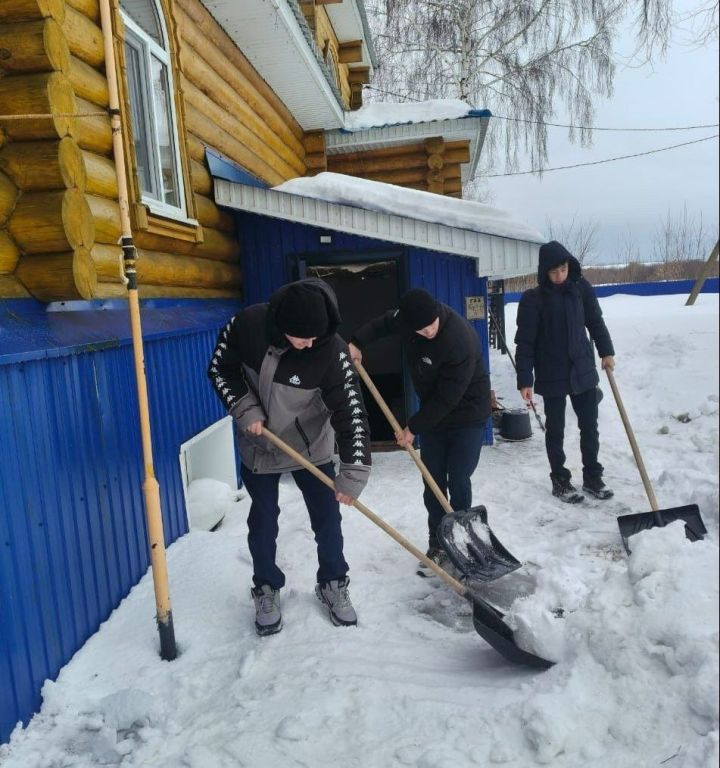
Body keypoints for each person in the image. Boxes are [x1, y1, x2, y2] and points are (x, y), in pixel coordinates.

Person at [208, 278, 372, 635]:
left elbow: (352, 413)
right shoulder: (247, 325)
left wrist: (354, 470)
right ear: (282, 326)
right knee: (263, 520)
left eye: (316, 337)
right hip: (260, 443)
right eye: (302, 337)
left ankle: (333, 581)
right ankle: (266, 586)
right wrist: (244, 407)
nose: (310, 344)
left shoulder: (331, 350)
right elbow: (220, 369)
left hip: (311, 446)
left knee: (327, 518)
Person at [348, 288, 491, 569]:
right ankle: (438, 543)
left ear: (438, 314)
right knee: (432, 480)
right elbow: (382, 324)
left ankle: (462, 543)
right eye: (420, 330)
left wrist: (413, 427)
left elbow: (447, 398)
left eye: (431, 327)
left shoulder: (459, 340)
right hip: (434, 416)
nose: (427, 333)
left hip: (467, 414)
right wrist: (356, 342)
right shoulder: (408, 320)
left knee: (459, 477)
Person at [514, 240, 615, 504]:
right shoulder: (533, 299)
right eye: (553, 272)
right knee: (555, 430)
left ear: (569, 266)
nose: (560, 276)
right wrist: (525, 378)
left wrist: (606, 351)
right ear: (544, 272)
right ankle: (560, 480)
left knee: (589, 427)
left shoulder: (581, 289)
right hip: (551, 372)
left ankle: (593, 476)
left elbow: (595, 321)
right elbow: (525, 342)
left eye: (563, 269)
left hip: (582, 368)